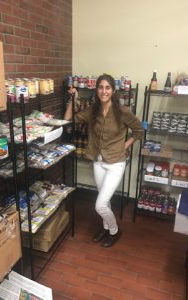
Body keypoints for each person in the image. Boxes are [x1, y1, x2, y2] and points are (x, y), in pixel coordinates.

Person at [64, 74, 143, 247]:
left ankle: (114, 231)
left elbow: (139, 131)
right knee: (104, 201)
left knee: (99, 205)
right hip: (98, 162)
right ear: (97, 90)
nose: (104, 91)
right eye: (100, 87)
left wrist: (125, 145)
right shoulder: (93, 110)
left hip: (116, 163)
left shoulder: (123, 111)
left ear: (113, 90)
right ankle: (106, 228)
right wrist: (72, 99)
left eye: (107, 87)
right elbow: (68, 120)